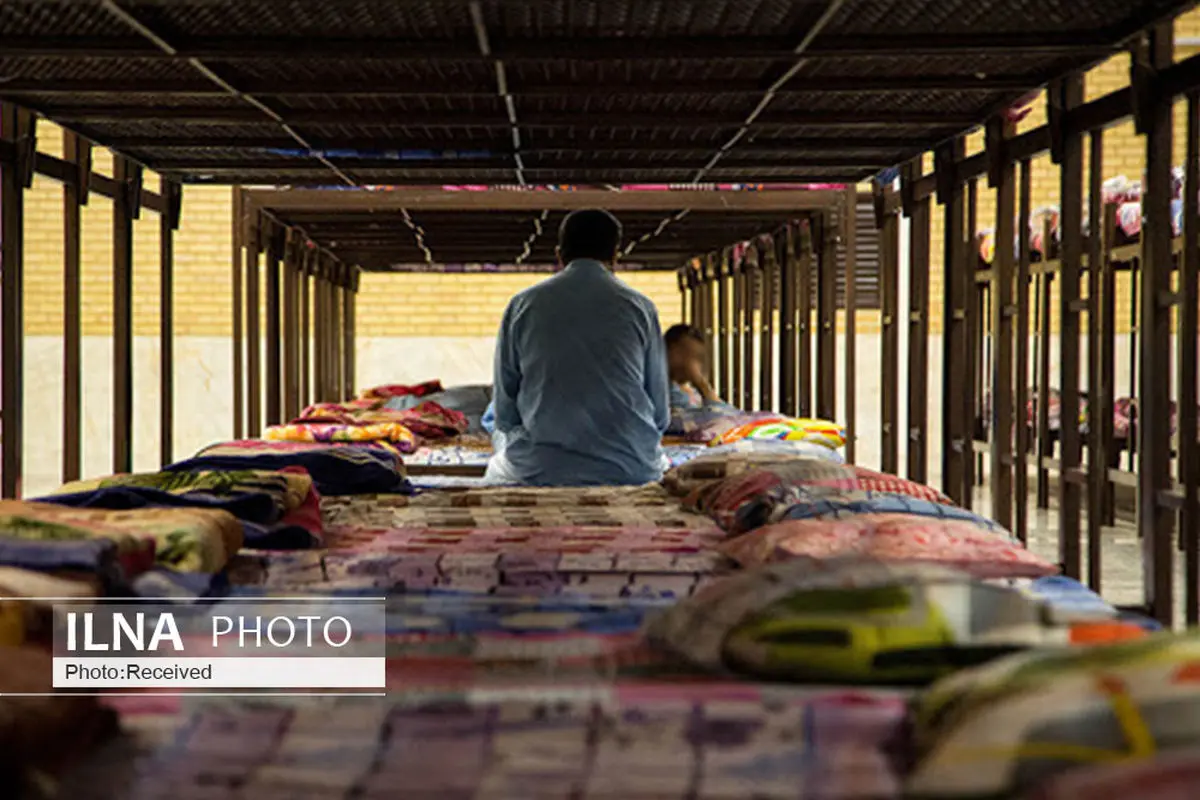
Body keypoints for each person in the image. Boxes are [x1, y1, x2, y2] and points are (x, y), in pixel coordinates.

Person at [485, 209, 670, 486]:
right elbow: (659, 414)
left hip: (540, 469)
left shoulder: (523, 305)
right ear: (615, 256)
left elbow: (504, 413)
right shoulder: (640, 308)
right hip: (629, 468)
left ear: (559, 255)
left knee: (499, 458)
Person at [664, 324, 721, 409]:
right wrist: (701, 384)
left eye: (695, 357)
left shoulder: (693, 392)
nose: (688, 363)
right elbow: (717, 414)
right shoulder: (667, 393)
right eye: (683, 354)